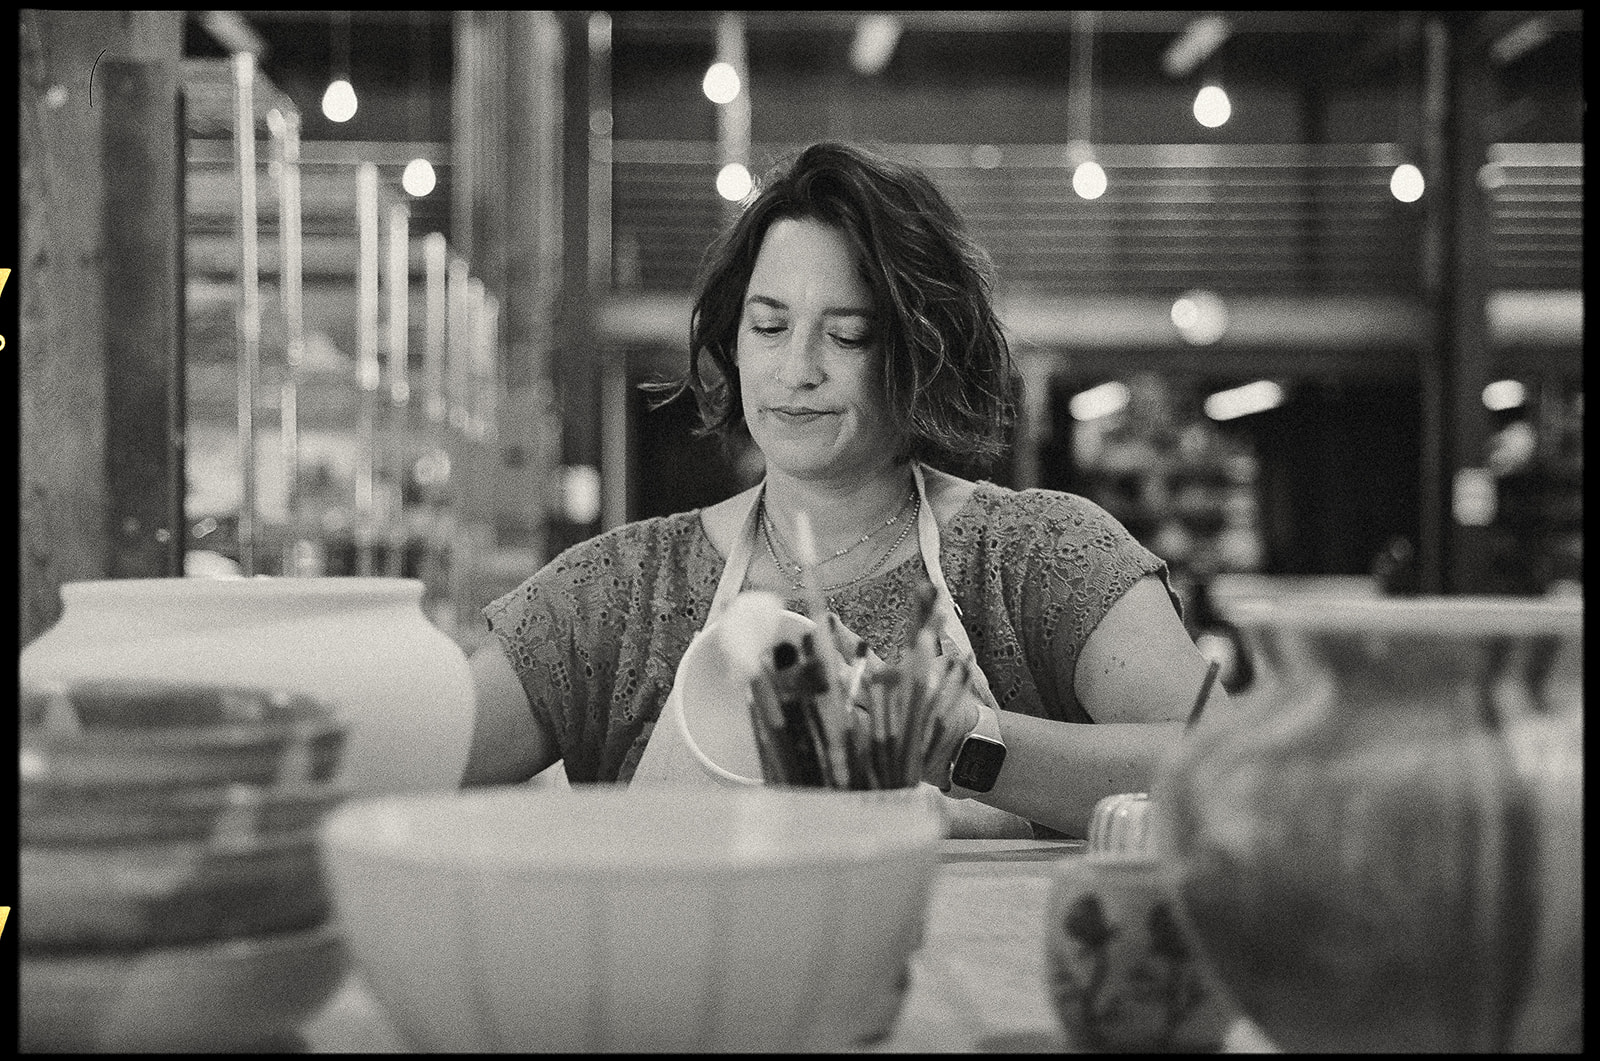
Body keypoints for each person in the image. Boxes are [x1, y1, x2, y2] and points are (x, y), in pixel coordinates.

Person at [462, 141, 1219, 838]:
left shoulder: (1038, 557)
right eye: (768, 327)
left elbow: (1225, 767)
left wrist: (969, 744)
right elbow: (415, 759)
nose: (798, 368)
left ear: (924, 350)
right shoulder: (621, 593)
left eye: (848, 334)